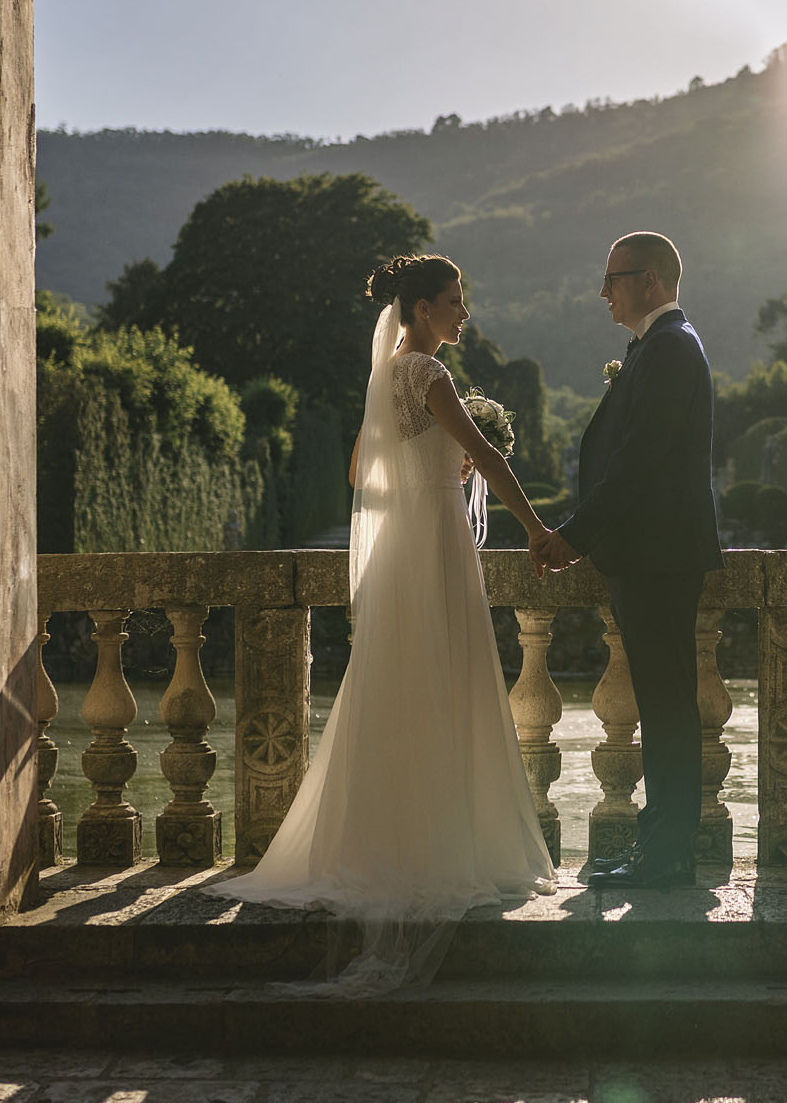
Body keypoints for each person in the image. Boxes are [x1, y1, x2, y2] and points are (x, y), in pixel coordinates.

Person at [214, 254, 556, 987]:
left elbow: (355, 477)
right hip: (434, 544)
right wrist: (533, 527)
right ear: (424, 308)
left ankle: (383, 847)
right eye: (455, 301)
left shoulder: (384, 376)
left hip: (403, 546)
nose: (464, 313)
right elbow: (487, 456)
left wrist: (425, 472)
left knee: (399, 690)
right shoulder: (429, 374)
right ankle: (443, 850)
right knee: (447, 684)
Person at [533, 232, 724, 888]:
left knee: (667, 709)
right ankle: (661, 850)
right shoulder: (659, 345)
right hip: (651, 555)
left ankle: (667, 857)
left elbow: (639, 460)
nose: (603, 292)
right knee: (663, 706)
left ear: (650, 280)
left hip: (658, 558)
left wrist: (575, 535)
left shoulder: (669, 347)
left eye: (612, 279)